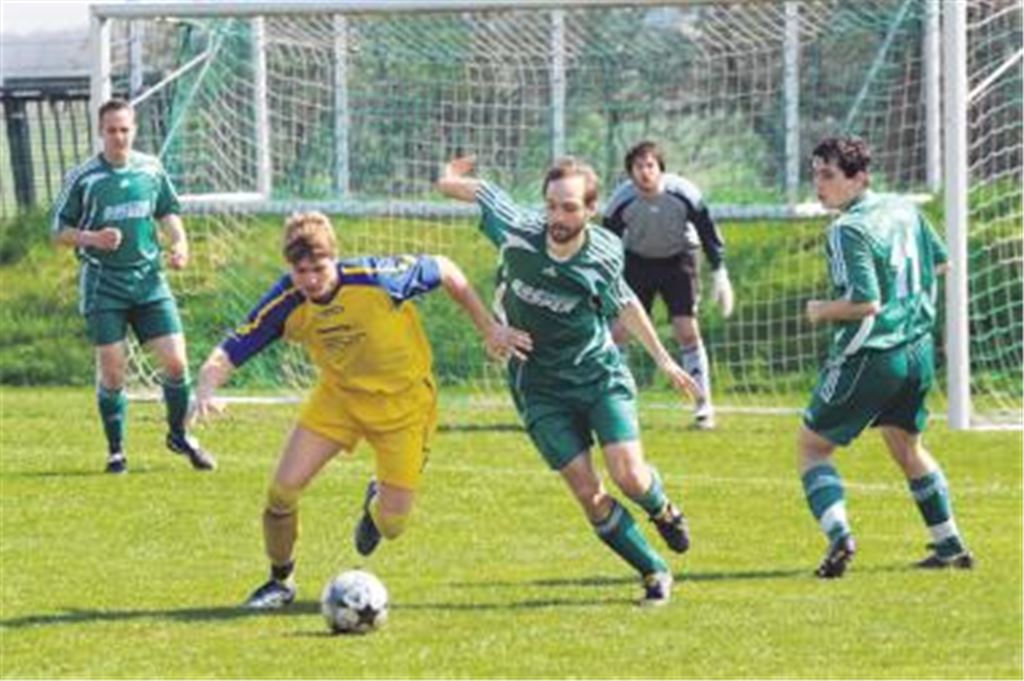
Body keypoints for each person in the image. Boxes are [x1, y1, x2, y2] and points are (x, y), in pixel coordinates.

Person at [192, 211, 528, 609]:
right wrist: (207, 387)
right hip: (339, 400)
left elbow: (447, 269)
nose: (311, 280)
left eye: (318, 268)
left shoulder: (379, 278)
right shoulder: (287, 301)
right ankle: (280, 582)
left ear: (334, 257)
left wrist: (489, 328)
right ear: (290, 268)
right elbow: (233, 347)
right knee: (281, 491)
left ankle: (374, 502)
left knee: (393, 524)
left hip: (405, 408)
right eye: (301, 271)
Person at [437, 155, 701, 607]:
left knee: (630, 477)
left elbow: (626, 304)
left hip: (597, 374)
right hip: (538, 386)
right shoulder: (519, 230)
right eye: (553, 206)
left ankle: (662, 509)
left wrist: (664, 359)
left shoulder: (603, 252)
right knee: (588, 493)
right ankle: (653, 571)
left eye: (571, 208)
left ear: (591, 210)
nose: (558, 218)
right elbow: (479, 193)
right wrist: (447, 177)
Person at [799, 136, 973, 579]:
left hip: (872, 355)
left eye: (829, 176)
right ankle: (949, 543)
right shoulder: (903, 208)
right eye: (815, 173)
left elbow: (866, 303)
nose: (818, 184)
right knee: (906, 446)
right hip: (917, 350)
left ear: (859, 178)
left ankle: (839, 536)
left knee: (813, 448)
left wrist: (821, 310)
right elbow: (941, 264)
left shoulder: (847, 229)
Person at [51, 98, 215, 474]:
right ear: (100, 132)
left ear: (134, 130)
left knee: (176, 363)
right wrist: (93, 238)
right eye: (111, 130)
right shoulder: (85, 178)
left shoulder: (151, 169)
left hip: (149, 282)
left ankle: (178, 434)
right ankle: (116, 451)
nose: (119, 137)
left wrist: (180, 244)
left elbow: (167, 211)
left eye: (125, 130)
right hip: (103, 285)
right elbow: (58, 231)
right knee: (112, 371)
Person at [603, 141, 734, 429]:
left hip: (679, 262)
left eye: (650, 165)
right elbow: (606, 243)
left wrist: (719, 271)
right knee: (620, 332)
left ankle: (703, 405)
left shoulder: (684, 194)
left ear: (661, 168)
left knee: (686, 330)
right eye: (638, 167)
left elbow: (707, 231)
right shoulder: (620, 201)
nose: (645, 173)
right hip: (637, 263)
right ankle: (614, 404)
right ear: (630, 173)